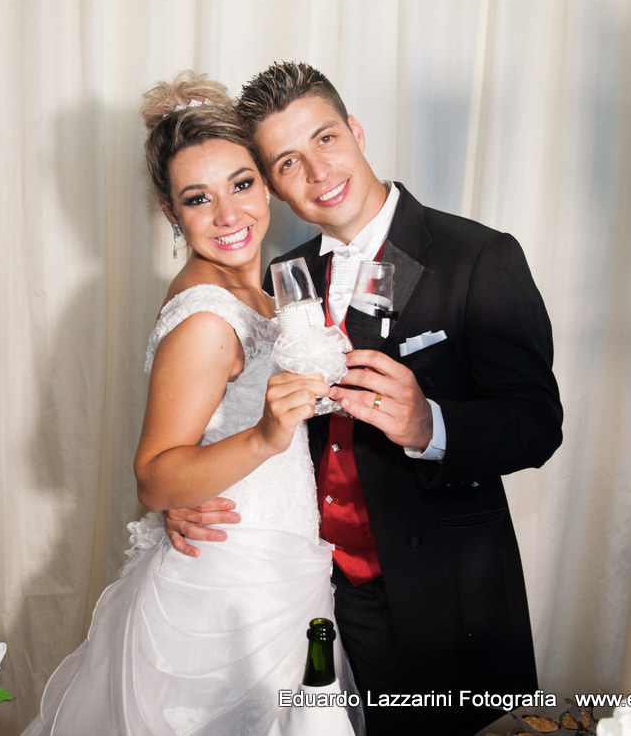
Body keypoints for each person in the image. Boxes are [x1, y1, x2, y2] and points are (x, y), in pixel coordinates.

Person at [164, 62, 564, 735]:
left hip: (445, 597)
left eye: (325, 139)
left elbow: (538, 424)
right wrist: (187, 488)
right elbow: (258, 417)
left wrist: (431, 424)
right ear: (274, 185)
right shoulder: (283, 274)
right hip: (317, 592)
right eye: (287, 162)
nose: (318, 172)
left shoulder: (477, 257)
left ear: (355, 130)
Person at [21, 72, 361, 736]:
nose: (228, 215)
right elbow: (154, 477)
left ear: (266, 183)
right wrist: (263, 436)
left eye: (241, 184)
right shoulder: (207, 316)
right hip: (230, 588)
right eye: (198, 199)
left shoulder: (261, 291)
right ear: (170, 212)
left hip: (278, 569)